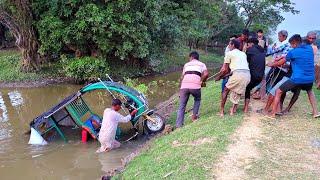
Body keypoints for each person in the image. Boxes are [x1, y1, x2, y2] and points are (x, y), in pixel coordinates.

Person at [270, 34, 320, 118]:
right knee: (310, 92)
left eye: (291, 45)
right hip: (310, 78)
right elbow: (296, 56)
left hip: (297, 78)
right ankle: (316, 112)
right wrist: (283, 57)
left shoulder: (293, 52)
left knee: (278, 91)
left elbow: (281, 63)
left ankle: (272, 114)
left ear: (295, 43)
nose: (291, 46)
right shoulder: (309, 48)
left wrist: (271, 64)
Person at [175, 51, 208, 128]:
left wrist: (180, 89)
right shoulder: (202, 64)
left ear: (191, 57)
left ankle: (179, 125)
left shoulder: (186, 65)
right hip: (195, 86)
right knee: (197, 99)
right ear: (197, 58)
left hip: (184, 86)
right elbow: (206, 74)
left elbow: (182, 77)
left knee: (182, 105)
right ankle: (194, 117)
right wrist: (202, 81)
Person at [219, 39, 251, 116]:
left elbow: (225, 69)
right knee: (237, 91)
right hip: (247, 75)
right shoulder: (243, 54)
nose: (228, 46)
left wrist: (219, 77)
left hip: (238, 74)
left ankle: (221, 111)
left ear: (233, 45)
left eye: (229, 44)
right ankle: (232, 111)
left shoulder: (229, 53)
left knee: (226, 90)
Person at [244, 38, 266, 113]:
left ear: (251, 44)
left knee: (247, 88)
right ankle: (256, 91)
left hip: (253, 75)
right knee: (251, 86)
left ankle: (246, 108)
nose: (248, 46)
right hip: (261, 75)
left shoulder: (250, 50)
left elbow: (246, 62)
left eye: (248, 44)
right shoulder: (263, 50)